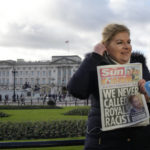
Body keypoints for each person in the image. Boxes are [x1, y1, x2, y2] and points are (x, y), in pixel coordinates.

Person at [67, 23, 150, 150]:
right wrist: (94, 57)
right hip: (104, 141)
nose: (127, 47)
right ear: (106, 45)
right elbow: (76, 91)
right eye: (119, 42)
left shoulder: (140, 65)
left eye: (128, 41)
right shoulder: (95, 64)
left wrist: (146, 94)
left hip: (139, 139)